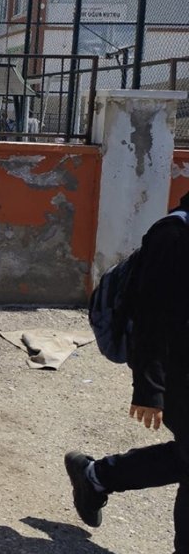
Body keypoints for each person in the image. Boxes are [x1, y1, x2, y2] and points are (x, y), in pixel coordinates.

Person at [65, 192, 189, 547]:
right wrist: (150, 389)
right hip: (176, 371)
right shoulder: (174, 235)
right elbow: (153, 316)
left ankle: (95, 476)